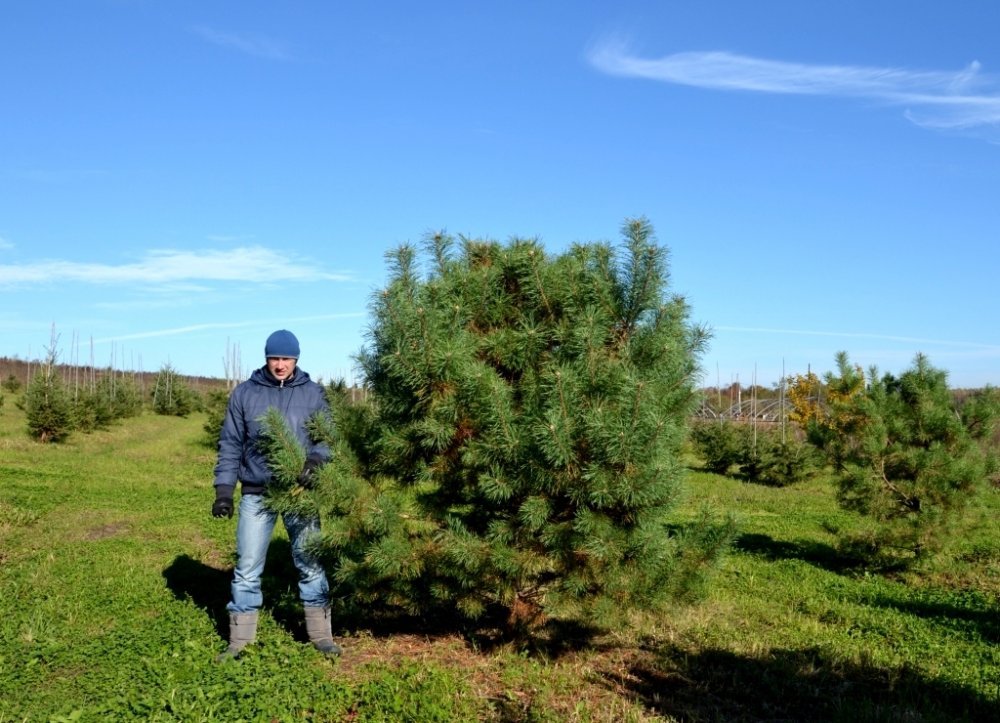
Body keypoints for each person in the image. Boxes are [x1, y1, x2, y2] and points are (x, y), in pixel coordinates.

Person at [211, 329, 342, 659]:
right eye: (274, 357)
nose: (280, 364)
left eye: (286, 358)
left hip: (300, 492)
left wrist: (316, 459)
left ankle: (321, 637)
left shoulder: (313, 395)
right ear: (266, 357)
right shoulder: (245, 394)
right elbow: (230, 445)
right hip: (257, 493)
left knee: (310, 563)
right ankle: (239, 642)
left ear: (296, 359)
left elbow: (327, 437)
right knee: (247, 567)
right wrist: (224, 491)